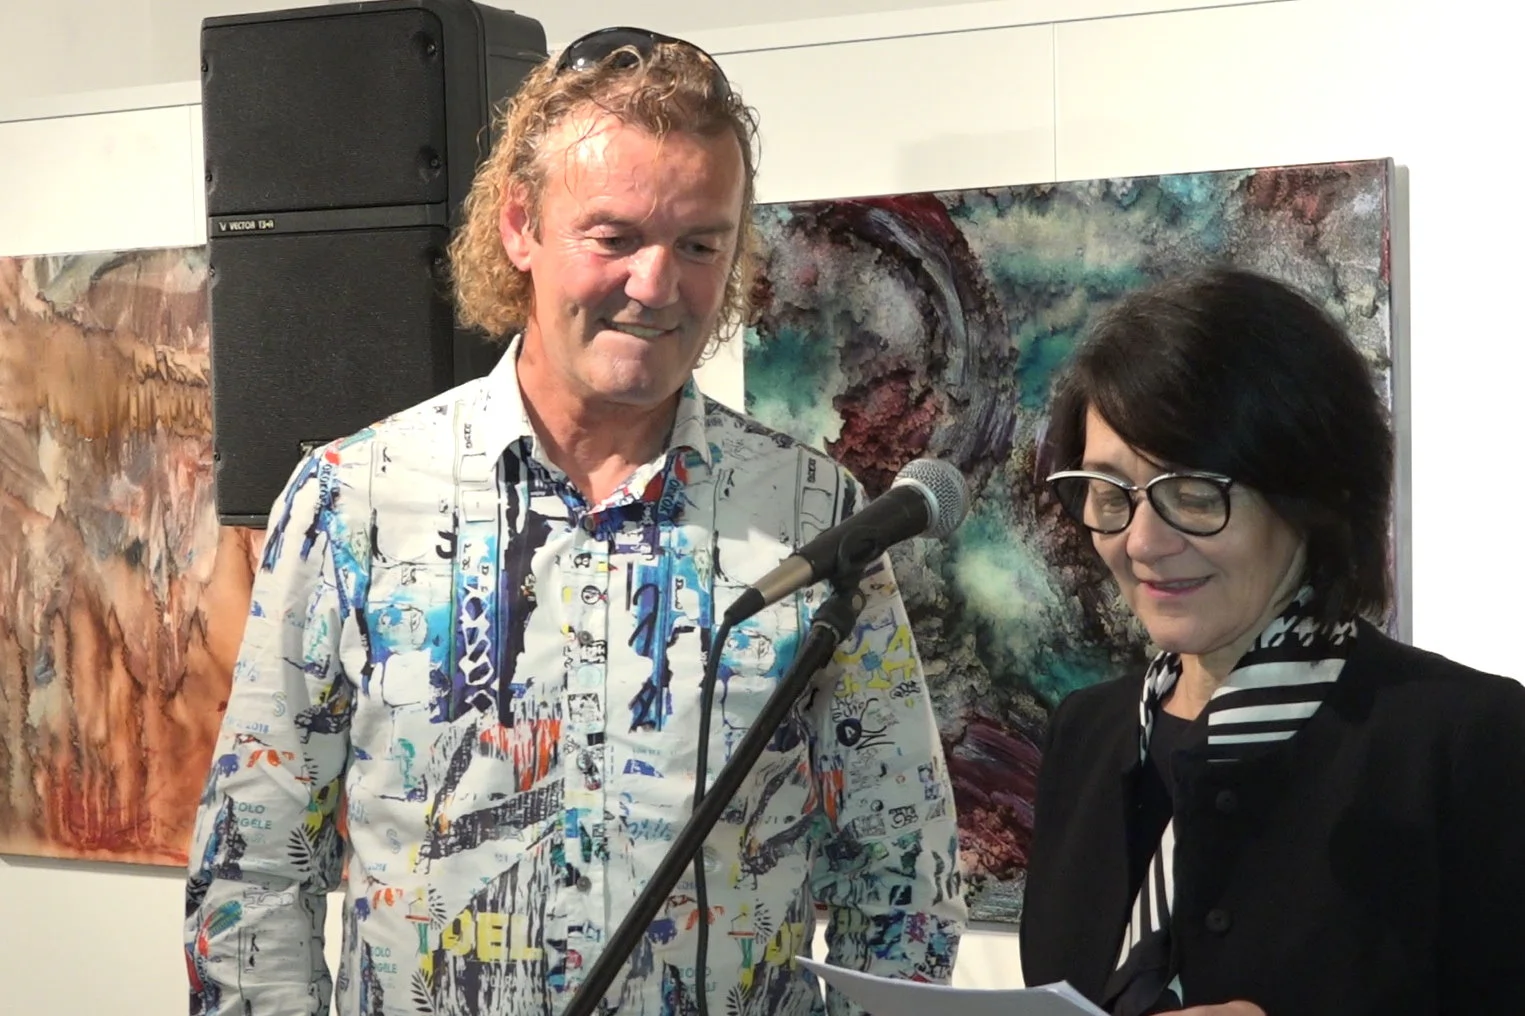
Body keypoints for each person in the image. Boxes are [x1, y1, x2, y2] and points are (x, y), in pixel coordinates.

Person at [184, 26, 965, 1016]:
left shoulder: (812, 517)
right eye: (614, 237)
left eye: (699, 244)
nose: (656, 285)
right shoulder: (353, 500)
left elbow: (899, 877)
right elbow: (252, 867)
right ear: (520, 226)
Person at [1020, 267, 1525, 1016]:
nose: (1143, 542)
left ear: (1310, 494)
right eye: (1110, 493)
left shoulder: (1464, 740)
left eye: (1194, 494)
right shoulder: (1087, 733)